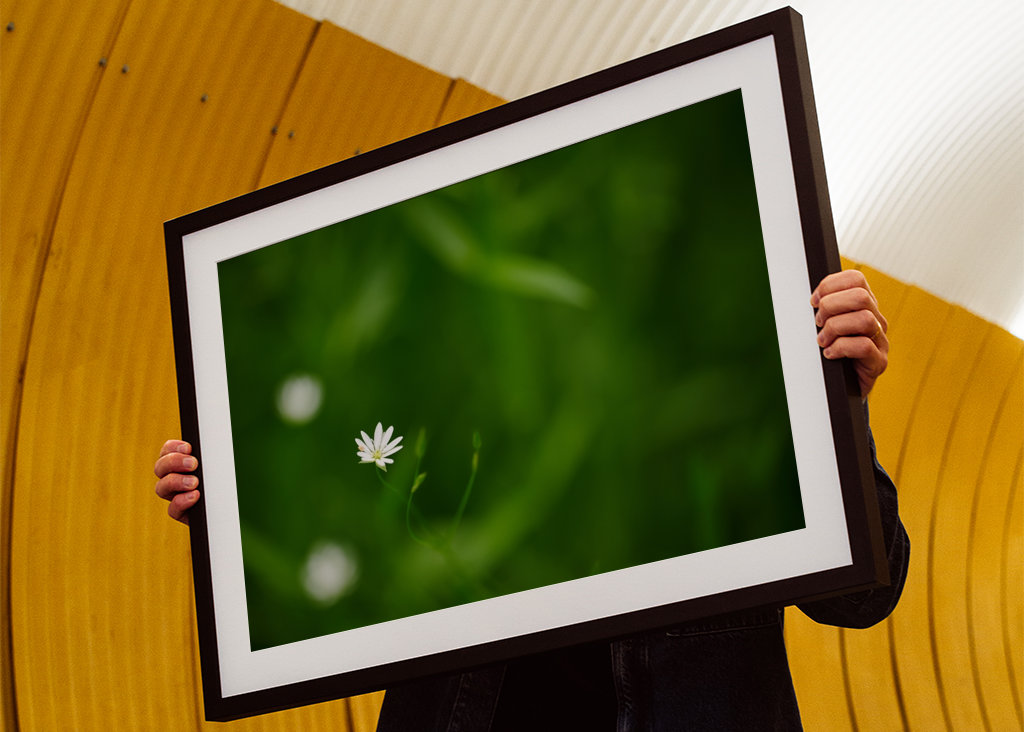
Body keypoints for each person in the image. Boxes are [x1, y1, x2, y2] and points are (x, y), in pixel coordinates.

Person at [154, 270, 909, 730]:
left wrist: (838, 404)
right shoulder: (459, 445)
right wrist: (237, 506)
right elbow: (352, 546)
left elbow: (866, 595)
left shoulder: (732, 420)